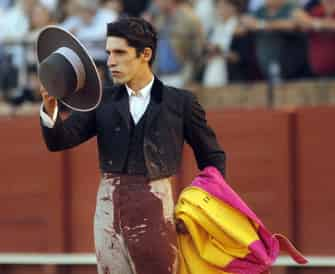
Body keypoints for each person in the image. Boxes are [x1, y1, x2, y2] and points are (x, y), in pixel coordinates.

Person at [39, 17, 226, 274]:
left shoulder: (180, 102)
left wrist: (205, 207)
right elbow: (59, 141)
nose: (111, 61)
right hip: (108, 209)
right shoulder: (102, 100)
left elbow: (212, 156)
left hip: (157, 206)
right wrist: (51, 110)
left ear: (145, 54)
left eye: (120, 53)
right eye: (108, 53)